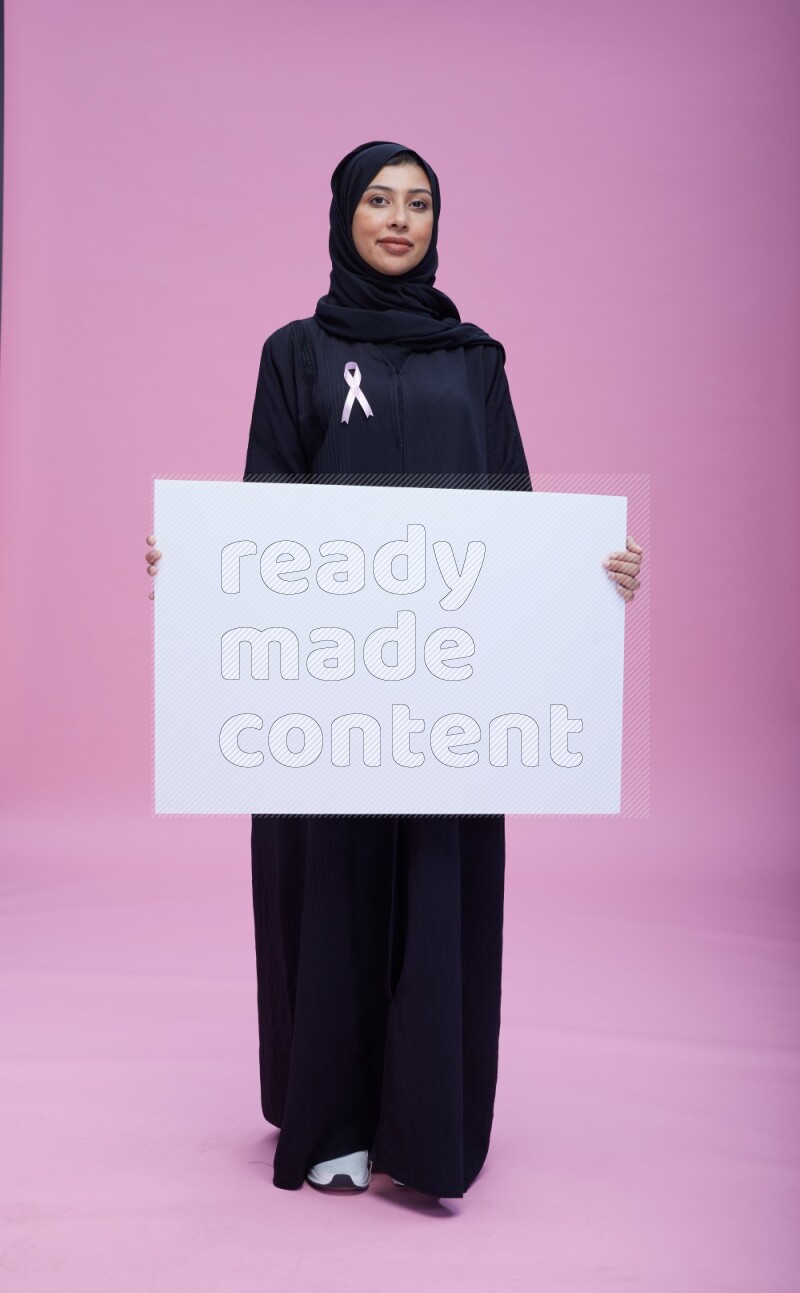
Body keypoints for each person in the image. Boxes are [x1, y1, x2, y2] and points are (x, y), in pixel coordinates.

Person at [145, 140, 643, 1199]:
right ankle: (329, 1123)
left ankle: (424, 1135)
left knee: (434, 886)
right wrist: (197, 570)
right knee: (328, 889)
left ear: (435, 224)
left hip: (449, 688)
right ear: (342, 214)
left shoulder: (476, 360)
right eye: (378, 198)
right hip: (323, 681)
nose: (398, 217)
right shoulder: (295, 353)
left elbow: (513, 518)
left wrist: (591, 577)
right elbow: (261, 511)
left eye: (419, 202)